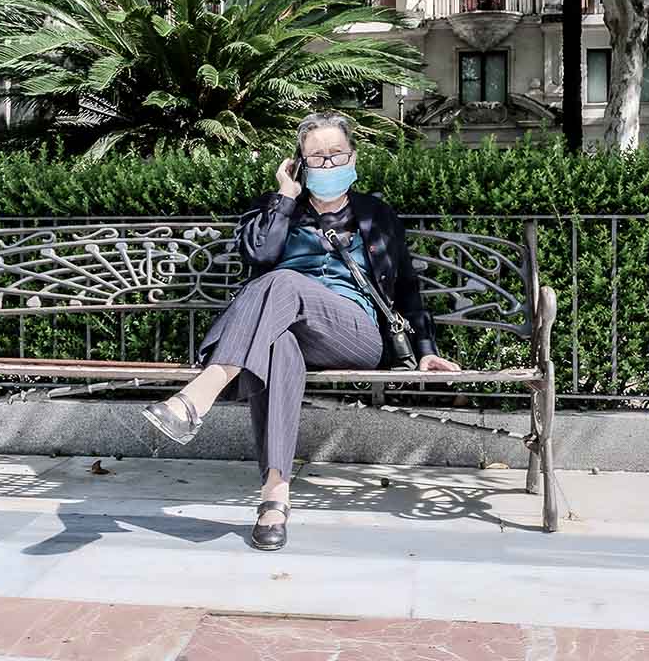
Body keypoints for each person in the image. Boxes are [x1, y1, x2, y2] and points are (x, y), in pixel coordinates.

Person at [141, 111, 460, 550]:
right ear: (300, 163)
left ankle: (200, 393)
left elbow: (406, 286)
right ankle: (275, 498)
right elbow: (257, 255)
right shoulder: (277, 209)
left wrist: (424, 349)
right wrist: (285, 197)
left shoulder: (376, 215)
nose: (327, 165)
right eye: (316, 157)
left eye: (336, 154)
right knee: (281, 346)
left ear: (353, 156)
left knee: (285, 281)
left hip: (355, 333)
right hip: (283, 327)